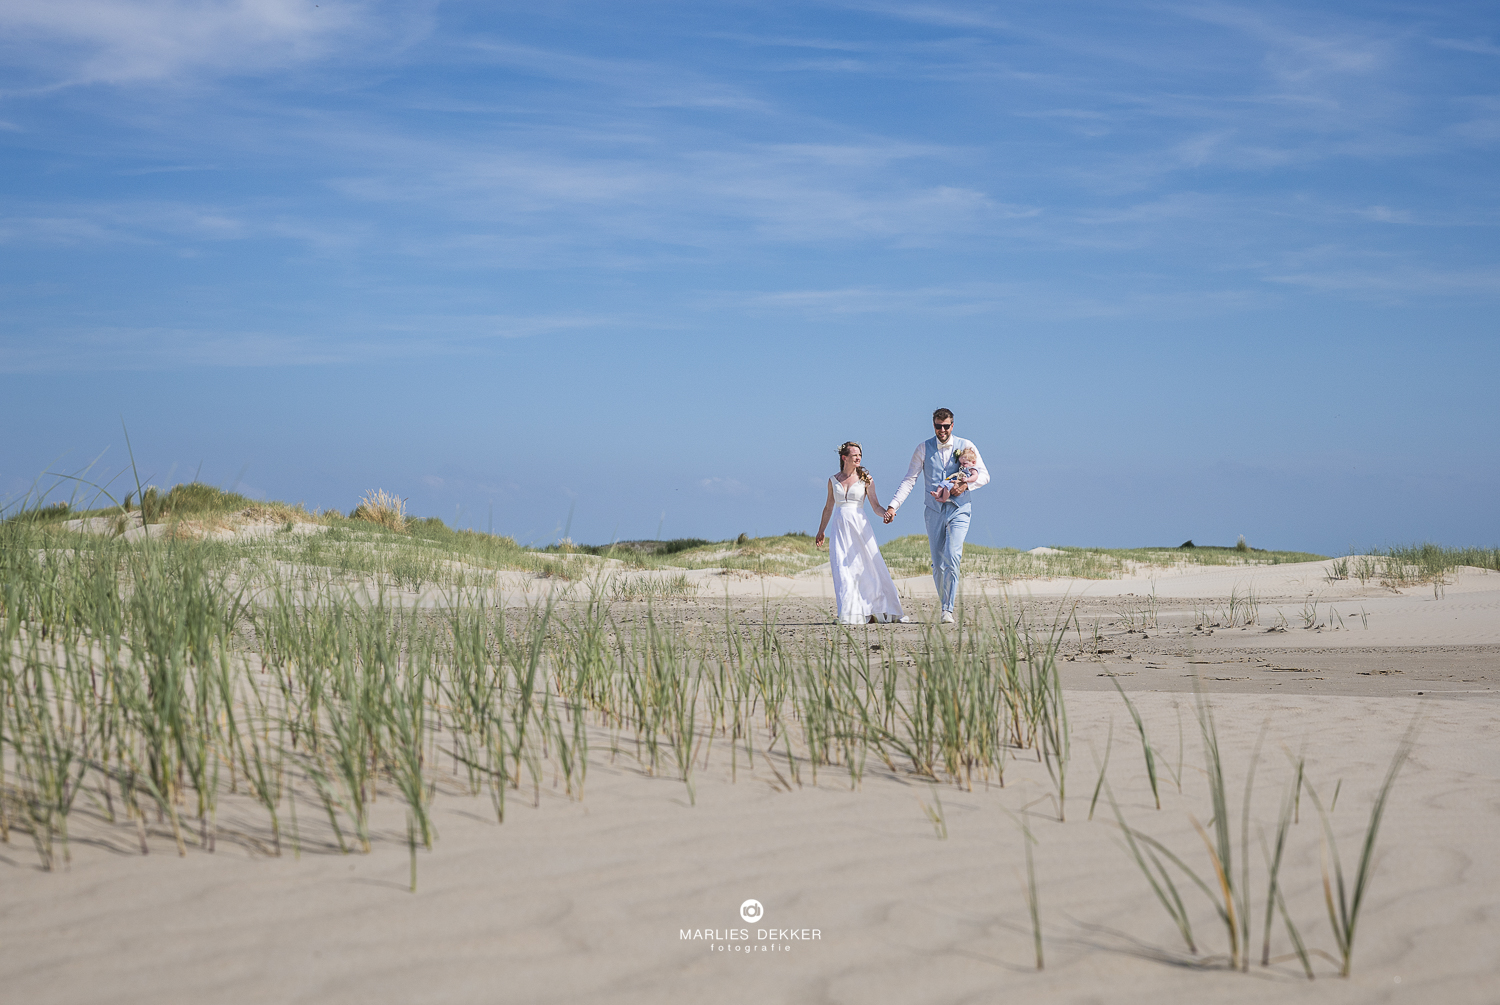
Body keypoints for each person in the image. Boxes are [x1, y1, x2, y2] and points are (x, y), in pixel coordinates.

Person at [882, 408, 989, 624]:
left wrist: (965, 487)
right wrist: (893, 506)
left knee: (952, 555)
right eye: (938, 426)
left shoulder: (966, 445)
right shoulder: (923, 448)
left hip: (960, 509)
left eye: (946, 426)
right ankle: (945, 603)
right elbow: (909, 479)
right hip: (933, 511)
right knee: (938, 563)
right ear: (933, 425)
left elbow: (984, 475)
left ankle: (947, 609)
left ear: (952, 425)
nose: (942, 430)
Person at [815, 441, 907, 625]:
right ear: (844, 458)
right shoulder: (833, 480)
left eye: (860, 455)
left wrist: (886, 514)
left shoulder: (866, 479)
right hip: (840, 528)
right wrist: (821, 530)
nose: (858, 458)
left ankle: (881, 608)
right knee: (843, 569)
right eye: (854, 455)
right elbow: (828, 507)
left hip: (860, 527)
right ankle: (849, 613)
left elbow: (875, 506)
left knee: (869, 567)